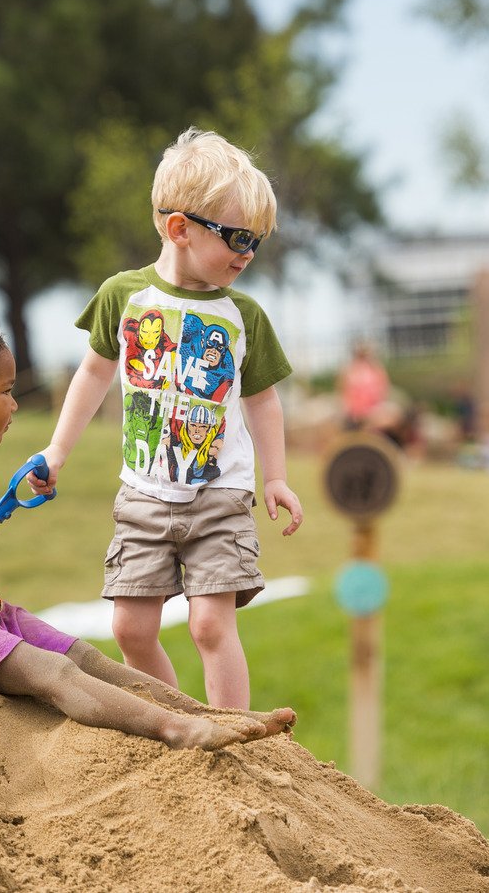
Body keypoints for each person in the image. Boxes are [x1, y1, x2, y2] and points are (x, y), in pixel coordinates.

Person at [0, 304, 295, 751]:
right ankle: (177, 729)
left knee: (82, 655)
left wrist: (3, 512)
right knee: (55, 672)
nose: (14, 404)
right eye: (6, 391)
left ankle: (210, 714)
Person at [29, 127, 304, 710]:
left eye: (257, 240)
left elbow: (262, 400)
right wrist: (56, 451)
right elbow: (93, 375)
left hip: (219, 495)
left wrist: (276, 476)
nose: (248, 253)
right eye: (237, 237)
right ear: (180, 228)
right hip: (143, 495)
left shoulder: (243, 316)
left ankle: (233, 735)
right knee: (130, 630)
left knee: (209, 625)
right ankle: (176, 725)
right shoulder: (123, 296)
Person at [337, 341, 390, 430]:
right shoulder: (350, 369)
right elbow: (343, 389)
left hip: (373, 407)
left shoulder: (375, 368)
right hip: (355, 410)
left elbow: (383, 387)